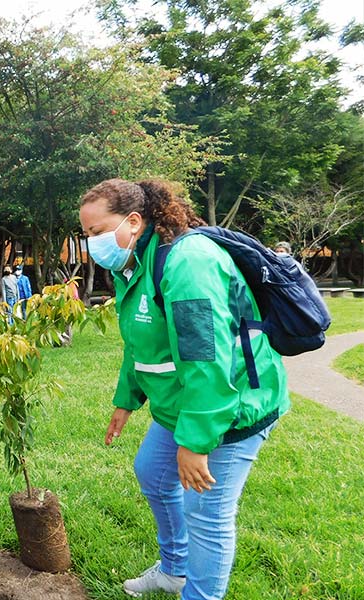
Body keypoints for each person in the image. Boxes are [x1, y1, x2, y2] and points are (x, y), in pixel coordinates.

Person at [78, 178, 289, 599]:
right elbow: (143, 344)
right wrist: (126, 401)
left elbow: (207, 362)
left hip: (231, 407)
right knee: (154, 473)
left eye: (97, 232)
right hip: (184, 402)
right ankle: (175, 571)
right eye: (87, 236)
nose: (92, 245)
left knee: (206, 513)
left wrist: (195, 443)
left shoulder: (186, 264)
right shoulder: (135, 263)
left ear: (133, 221)